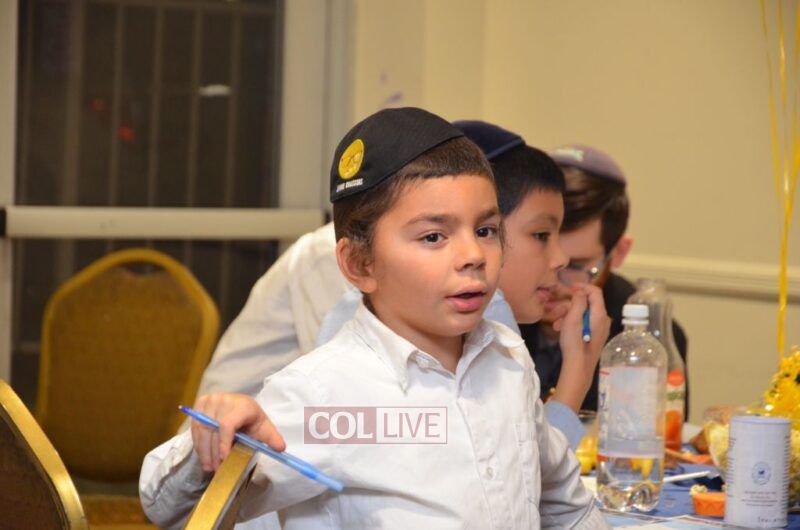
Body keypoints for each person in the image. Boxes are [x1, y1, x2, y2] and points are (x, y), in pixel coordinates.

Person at [140, 108, 610, 529]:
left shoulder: (508, 360)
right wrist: (209, 442)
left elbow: (565, 506)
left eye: (486, 230)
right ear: (359, 265)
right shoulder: (328, 396)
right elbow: (169, 508)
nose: (473, 254)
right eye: (433, 237)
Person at [192, 122, 606, 450]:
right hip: (240, 471)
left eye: (484, 230)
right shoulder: (354, 264)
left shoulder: (484, 322)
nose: (560, 259)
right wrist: (577, 373)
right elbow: (452, 451)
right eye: (540, 235)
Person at [519, 143, 689, 411]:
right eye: (540, 248)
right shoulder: (482, 312)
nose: (552, 279)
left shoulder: (649, 340)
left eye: (575, 265)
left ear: (618, 253)